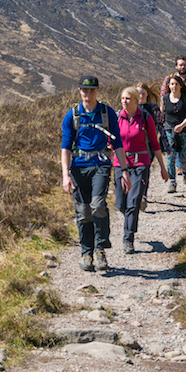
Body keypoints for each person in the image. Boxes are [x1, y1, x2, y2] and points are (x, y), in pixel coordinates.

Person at [61, 75, 130, 273]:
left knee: (98, 204)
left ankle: (100, 249)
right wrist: (65, 175)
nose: (88, 94)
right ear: (79, 91)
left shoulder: (107, 113)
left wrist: (123, 170)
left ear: (98, 91)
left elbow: (117, 143)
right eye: (85, 90)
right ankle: (86, 252)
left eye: (92, 91)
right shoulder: (72, 115)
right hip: (78, 168)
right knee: (83, 212)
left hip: (101, 165)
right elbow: (65, 147)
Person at [112, 87, 170, 254]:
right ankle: (130, 219)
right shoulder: (116, 118)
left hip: (140, 164)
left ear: (137, 100)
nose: (124, 101)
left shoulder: (145, 118)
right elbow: (111, 143)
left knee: (134, 201)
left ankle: (128, 239)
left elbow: (154, 143)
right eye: (123, 98)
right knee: (120, 204)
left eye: (128, 98)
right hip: (120, 164)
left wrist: (162, 168)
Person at [161, 74, 186, 191]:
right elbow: (161, 115)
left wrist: (181, 126)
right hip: (169, 130)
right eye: (172, 84)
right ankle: (172, 181)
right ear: (169, 86)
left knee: (182, 156)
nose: (174, 86)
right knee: (171, 156)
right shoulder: (164, 99)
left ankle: (185, 171)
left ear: (180, 86)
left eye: (176, 84)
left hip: (183, 130)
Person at [135, 81, 164, 203]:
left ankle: (143, 195)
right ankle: (135, 193)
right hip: (132, 146)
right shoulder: (129, 108)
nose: (140, 96)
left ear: (147, 94)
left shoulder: (153, 108)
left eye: (143, 94)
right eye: (138, 94)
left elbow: (160, 127)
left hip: (148, 146)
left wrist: (166, 145)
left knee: (144, 169)